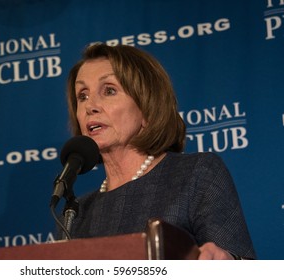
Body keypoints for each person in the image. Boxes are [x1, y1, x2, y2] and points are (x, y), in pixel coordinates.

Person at [63, 43, 256, 260]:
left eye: (109, 90)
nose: (91, 106)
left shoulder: (195, 175)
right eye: (82, 95)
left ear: (147, 106)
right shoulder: (77, 212)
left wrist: (228, 263)